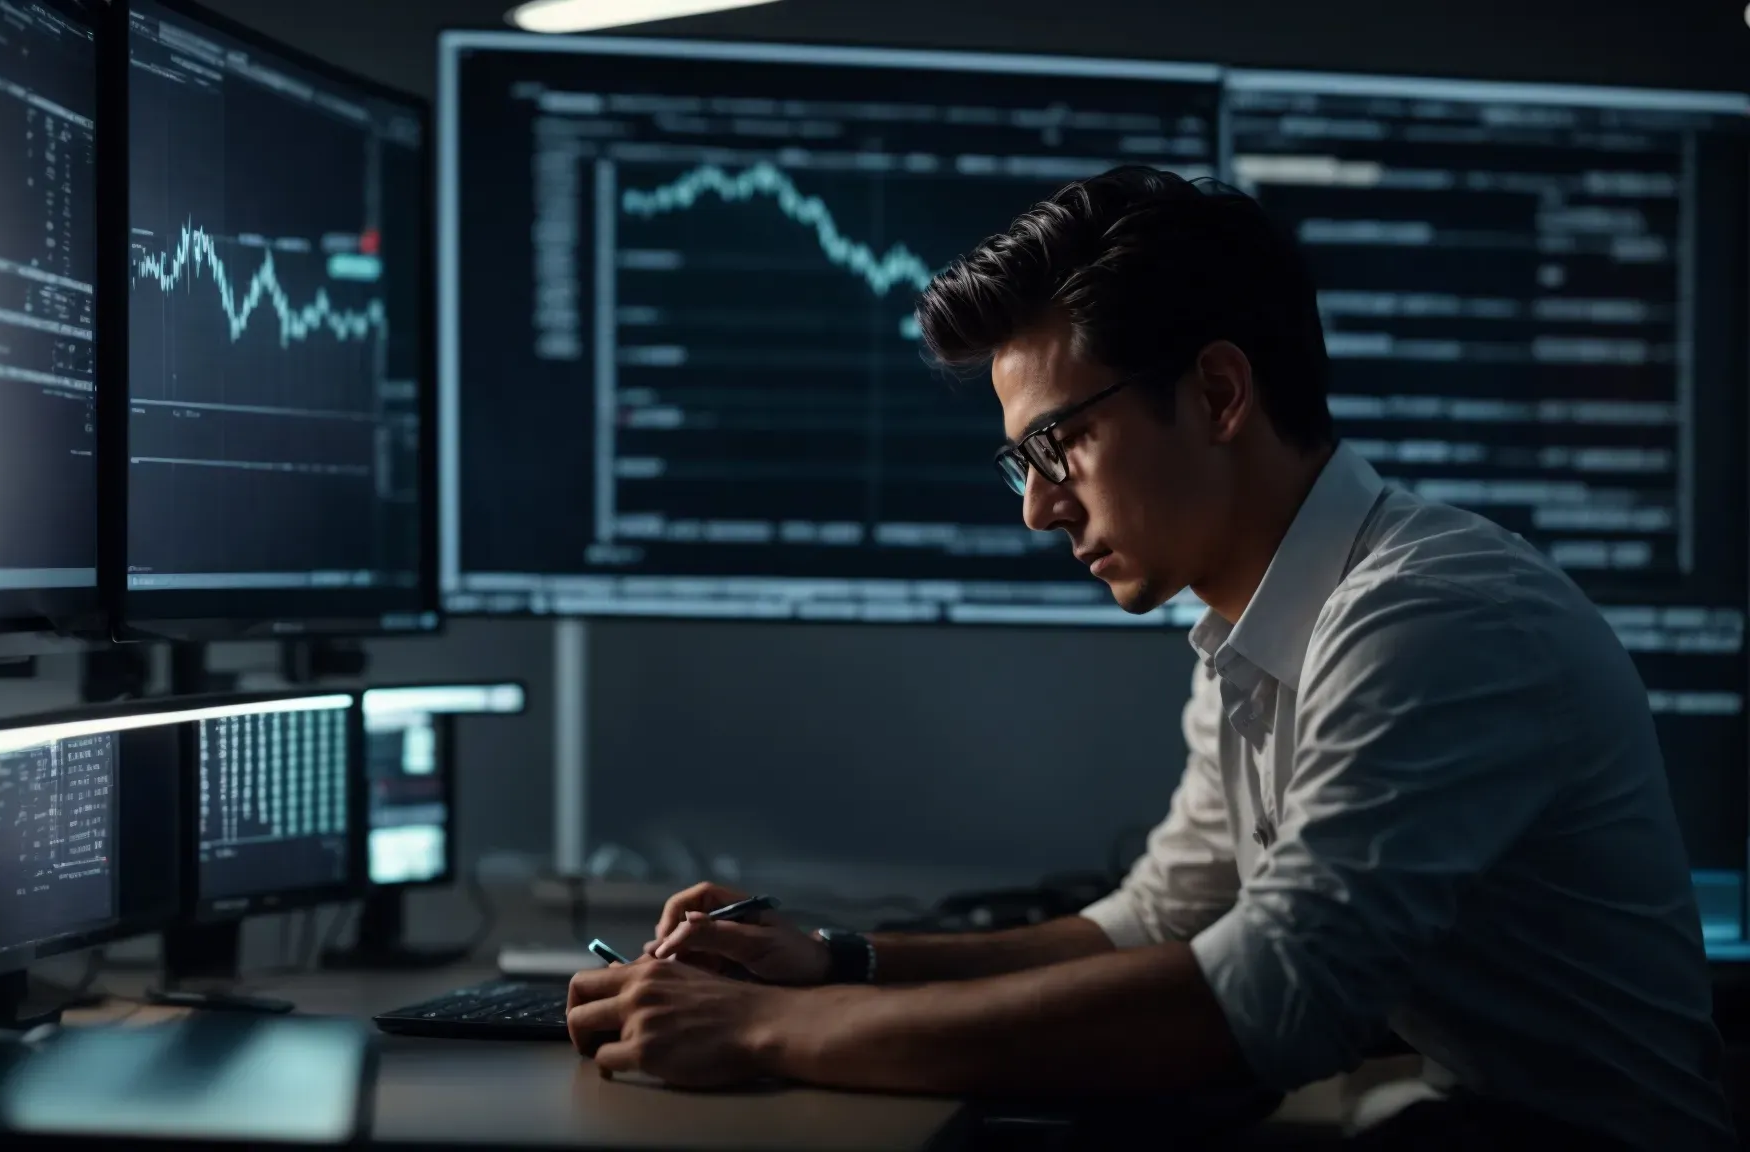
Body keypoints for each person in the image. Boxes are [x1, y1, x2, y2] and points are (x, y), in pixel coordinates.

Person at [564, 166, 1736, 1149]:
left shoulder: (1425, 616)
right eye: (1021, 463)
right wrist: (838, 964)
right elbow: (1151, 925)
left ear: (1217, 393)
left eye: (1059, 443)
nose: (1037, 508)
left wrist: (768, 1031)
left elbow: (1269, 1002)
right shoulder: (1254, 628)